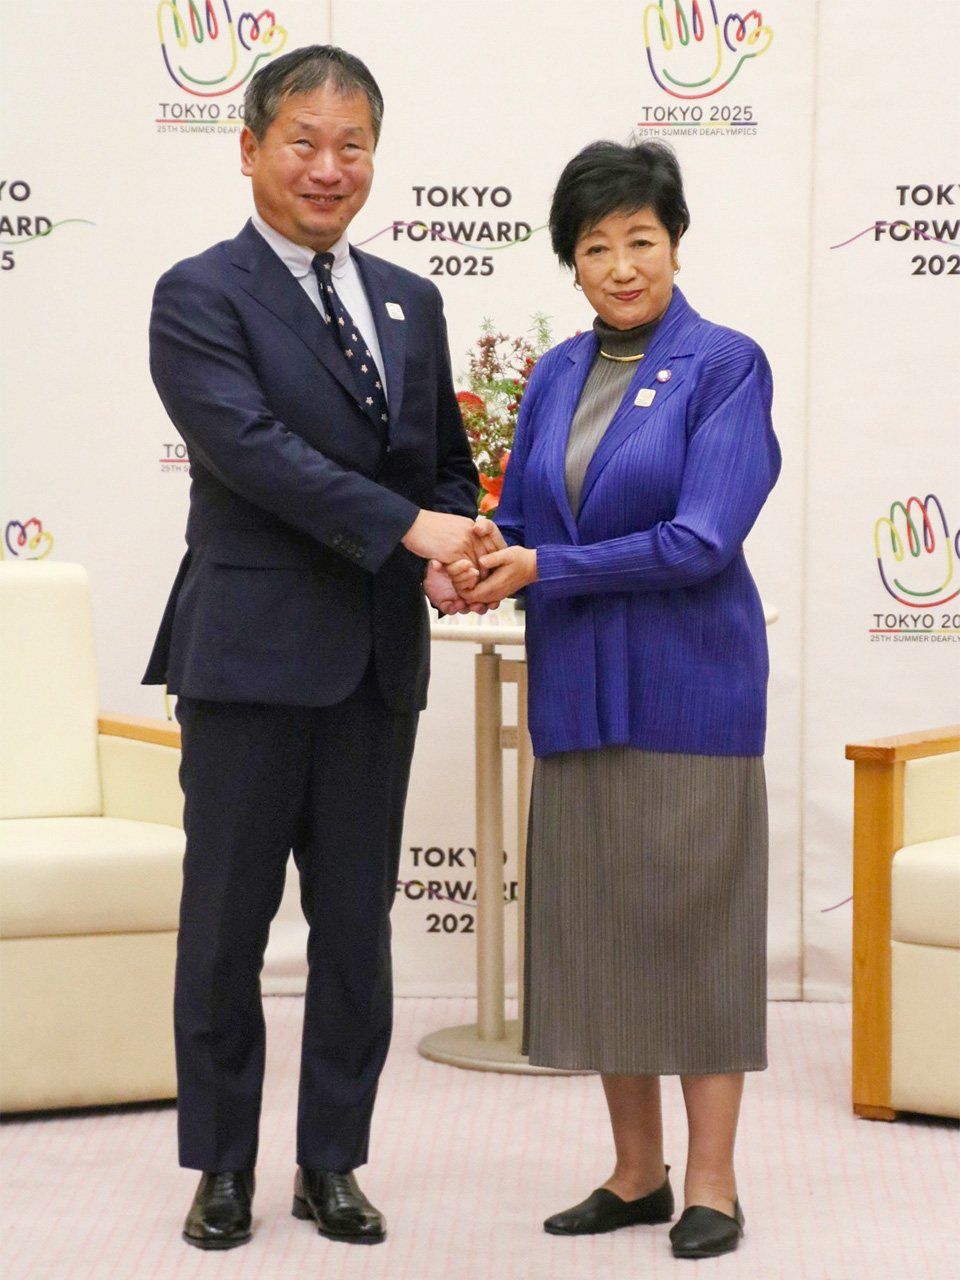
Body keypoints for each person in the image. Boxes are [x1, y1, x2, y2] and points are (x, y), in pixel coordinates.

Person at [146, 45, 487, 1251]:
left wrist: (452, 544)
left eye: (352, 145)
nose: (328, 167)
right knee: (226, 927)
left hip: (374, 667)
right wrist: (410, 527)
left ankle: (331, 1160)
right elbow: (251, 451)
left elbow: (441, 457)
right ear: (249, 148)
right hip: (246, 660)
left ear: (375, 158)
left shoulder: (410, 297)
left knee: (356, 929)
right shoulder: (200, 294)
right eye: (303, 140)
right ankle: (223, 1165)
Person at [449, 140, 781, 1260]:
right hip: (579, 688)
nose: (622, 264)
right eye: (596, 246)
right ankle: (638, 1172)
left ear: (675, 242)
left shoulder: (727, 364)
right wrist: (487, 552)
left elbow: (700, 538)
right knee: (599, 937)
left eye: (641, 238)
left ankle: (715, 1181)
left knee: (697, 935)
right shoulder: (551, 374)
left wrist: (545, 569)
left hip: (691, 690)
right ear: (572, 264)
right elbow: (527, 518)